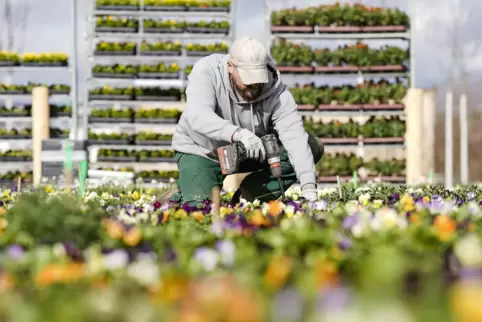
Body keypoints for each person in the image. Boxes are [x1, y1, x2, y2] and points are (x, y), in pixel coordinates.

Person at [171, 36, 324, 205]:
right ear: (230, 66)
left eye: (258, 79)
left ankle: (250, 194)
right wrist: (238, 134)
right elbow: (198, 116)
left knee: (311, 145)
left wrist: (309, 188)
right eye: (248, 79)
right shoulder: (206, 71)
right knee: (199, 208)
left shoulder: (276, 92)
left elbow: (295, 138)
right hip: (203, 151)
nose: (255, 86)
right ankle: (185, 191)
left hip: (251, 151)